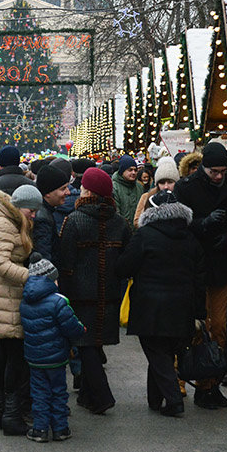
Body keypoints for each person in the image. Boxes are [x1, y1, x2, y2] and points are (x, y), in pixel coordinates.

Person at [115, 189, 202, 417]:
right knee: (165, 350)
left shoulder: (145, 236)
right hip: (182, 305)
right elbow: (199, 275)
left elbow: (124, 267)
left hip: (150, 305)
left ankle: (174, 400)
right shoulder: (190, 237)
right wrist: (199, 311)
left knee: (157, 352)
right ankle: (155, 399)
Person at [59, 167, 131, 415]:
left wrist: (64, 294)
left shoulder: (74, 220)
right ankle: (88, 396)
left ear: (88, 191)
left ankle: (101, 396)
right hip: (109, 293)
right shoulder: (120, 222)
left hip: (80, 294)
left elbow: (65, 263)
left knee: (85, 343)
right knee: (94, 343)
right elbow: (126, 259)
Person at [174, 141, 227, 409]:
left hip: (221, 265)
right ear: (203, 168)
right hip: (194, 267)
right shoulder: (186, 188)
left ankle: (211, 385)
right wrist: (203, 224)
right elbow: (179, 224)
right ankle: (192, 379)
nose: (219, 176)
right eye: (214, 172)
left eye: (223, 171)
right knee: (197, 326)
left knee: (219, 326)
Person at [0, 185, 36, 435]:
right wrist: (32, 276)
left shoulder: (2, 219)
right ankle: (11, 416)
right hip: (6, 296)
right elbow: (1, 263)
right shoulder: (3, 223)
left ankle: (1, 412)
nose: (33, 215)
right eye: (30, 210)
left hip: (2, 295)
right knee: (14, 358)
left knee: (4, 356)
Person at [21, 257, 85, 442]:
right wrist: (81, 330)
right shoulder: (58, 301)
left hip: (34, 359)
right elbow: (72, 327)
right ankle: (60, 429)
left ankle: (40, 430)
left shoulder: (25, 301)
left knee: (39, 393)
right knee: (58, 392)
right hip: (56, 359)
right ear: (50, 280)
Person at [34, 164, 70, 266]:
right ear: (47, 193)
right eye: (63, 189)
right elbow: (43, 258)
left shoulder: (45, 211)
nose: (68, 192)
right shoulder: (42, 218)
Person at [133, 157, 179, 225]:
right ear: (157, 184)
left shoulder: (182, 197)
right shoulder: (147, 197)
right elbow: (137, 221)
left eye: (170, 182)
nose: (166, 186)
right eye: (162, 183)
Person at [110, 156, 144, 226]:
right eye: (130, 170)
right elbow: (116, 213)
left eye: (135, 170)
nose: (133, 172)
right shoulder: (114, 187)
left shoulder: (139, 187)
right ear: (122, 171)